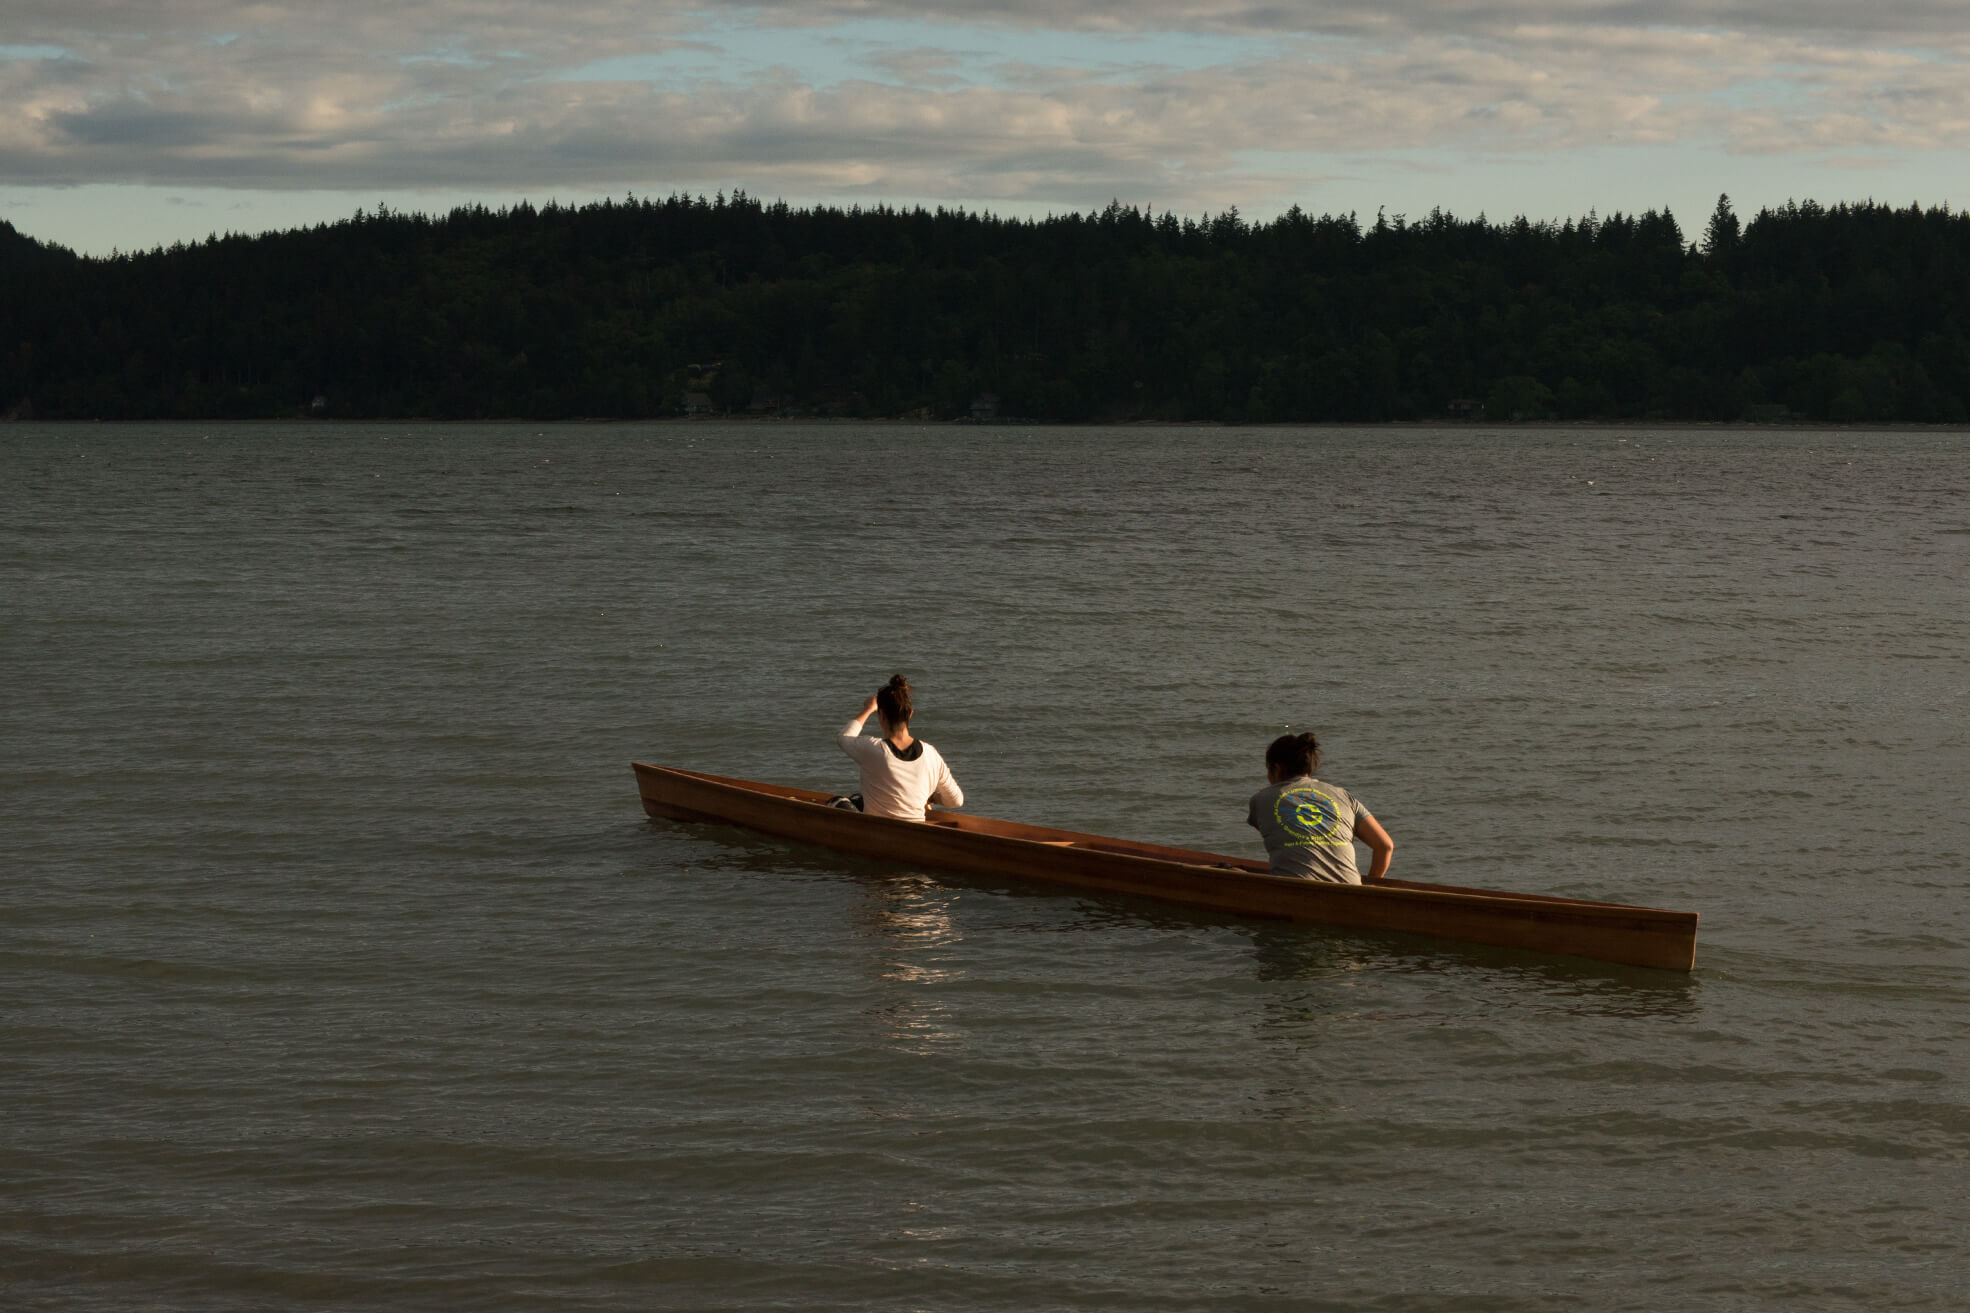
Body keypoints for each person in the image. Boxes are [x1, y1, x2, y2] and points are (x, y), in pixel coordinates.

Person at [1246, 731, 1393, 883]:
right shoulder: (1343, 796)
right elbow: (1385, 846)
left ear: (1275, 768)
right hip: (1351, 893)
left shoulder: (1261, 799)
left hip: (1297, 894)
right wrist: (1369, 888)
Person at [835, 675, 964, 821]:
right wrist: (933, 797)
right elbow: (956, 800)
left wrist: (868, 709)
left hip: (879, 832)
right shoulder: (931, 754)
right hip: (917, 831)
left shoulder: (873, 749)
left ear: (881, 715)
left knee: (839, 802)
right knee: (859, 799)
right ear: (910, 714)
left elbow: (844, 738)